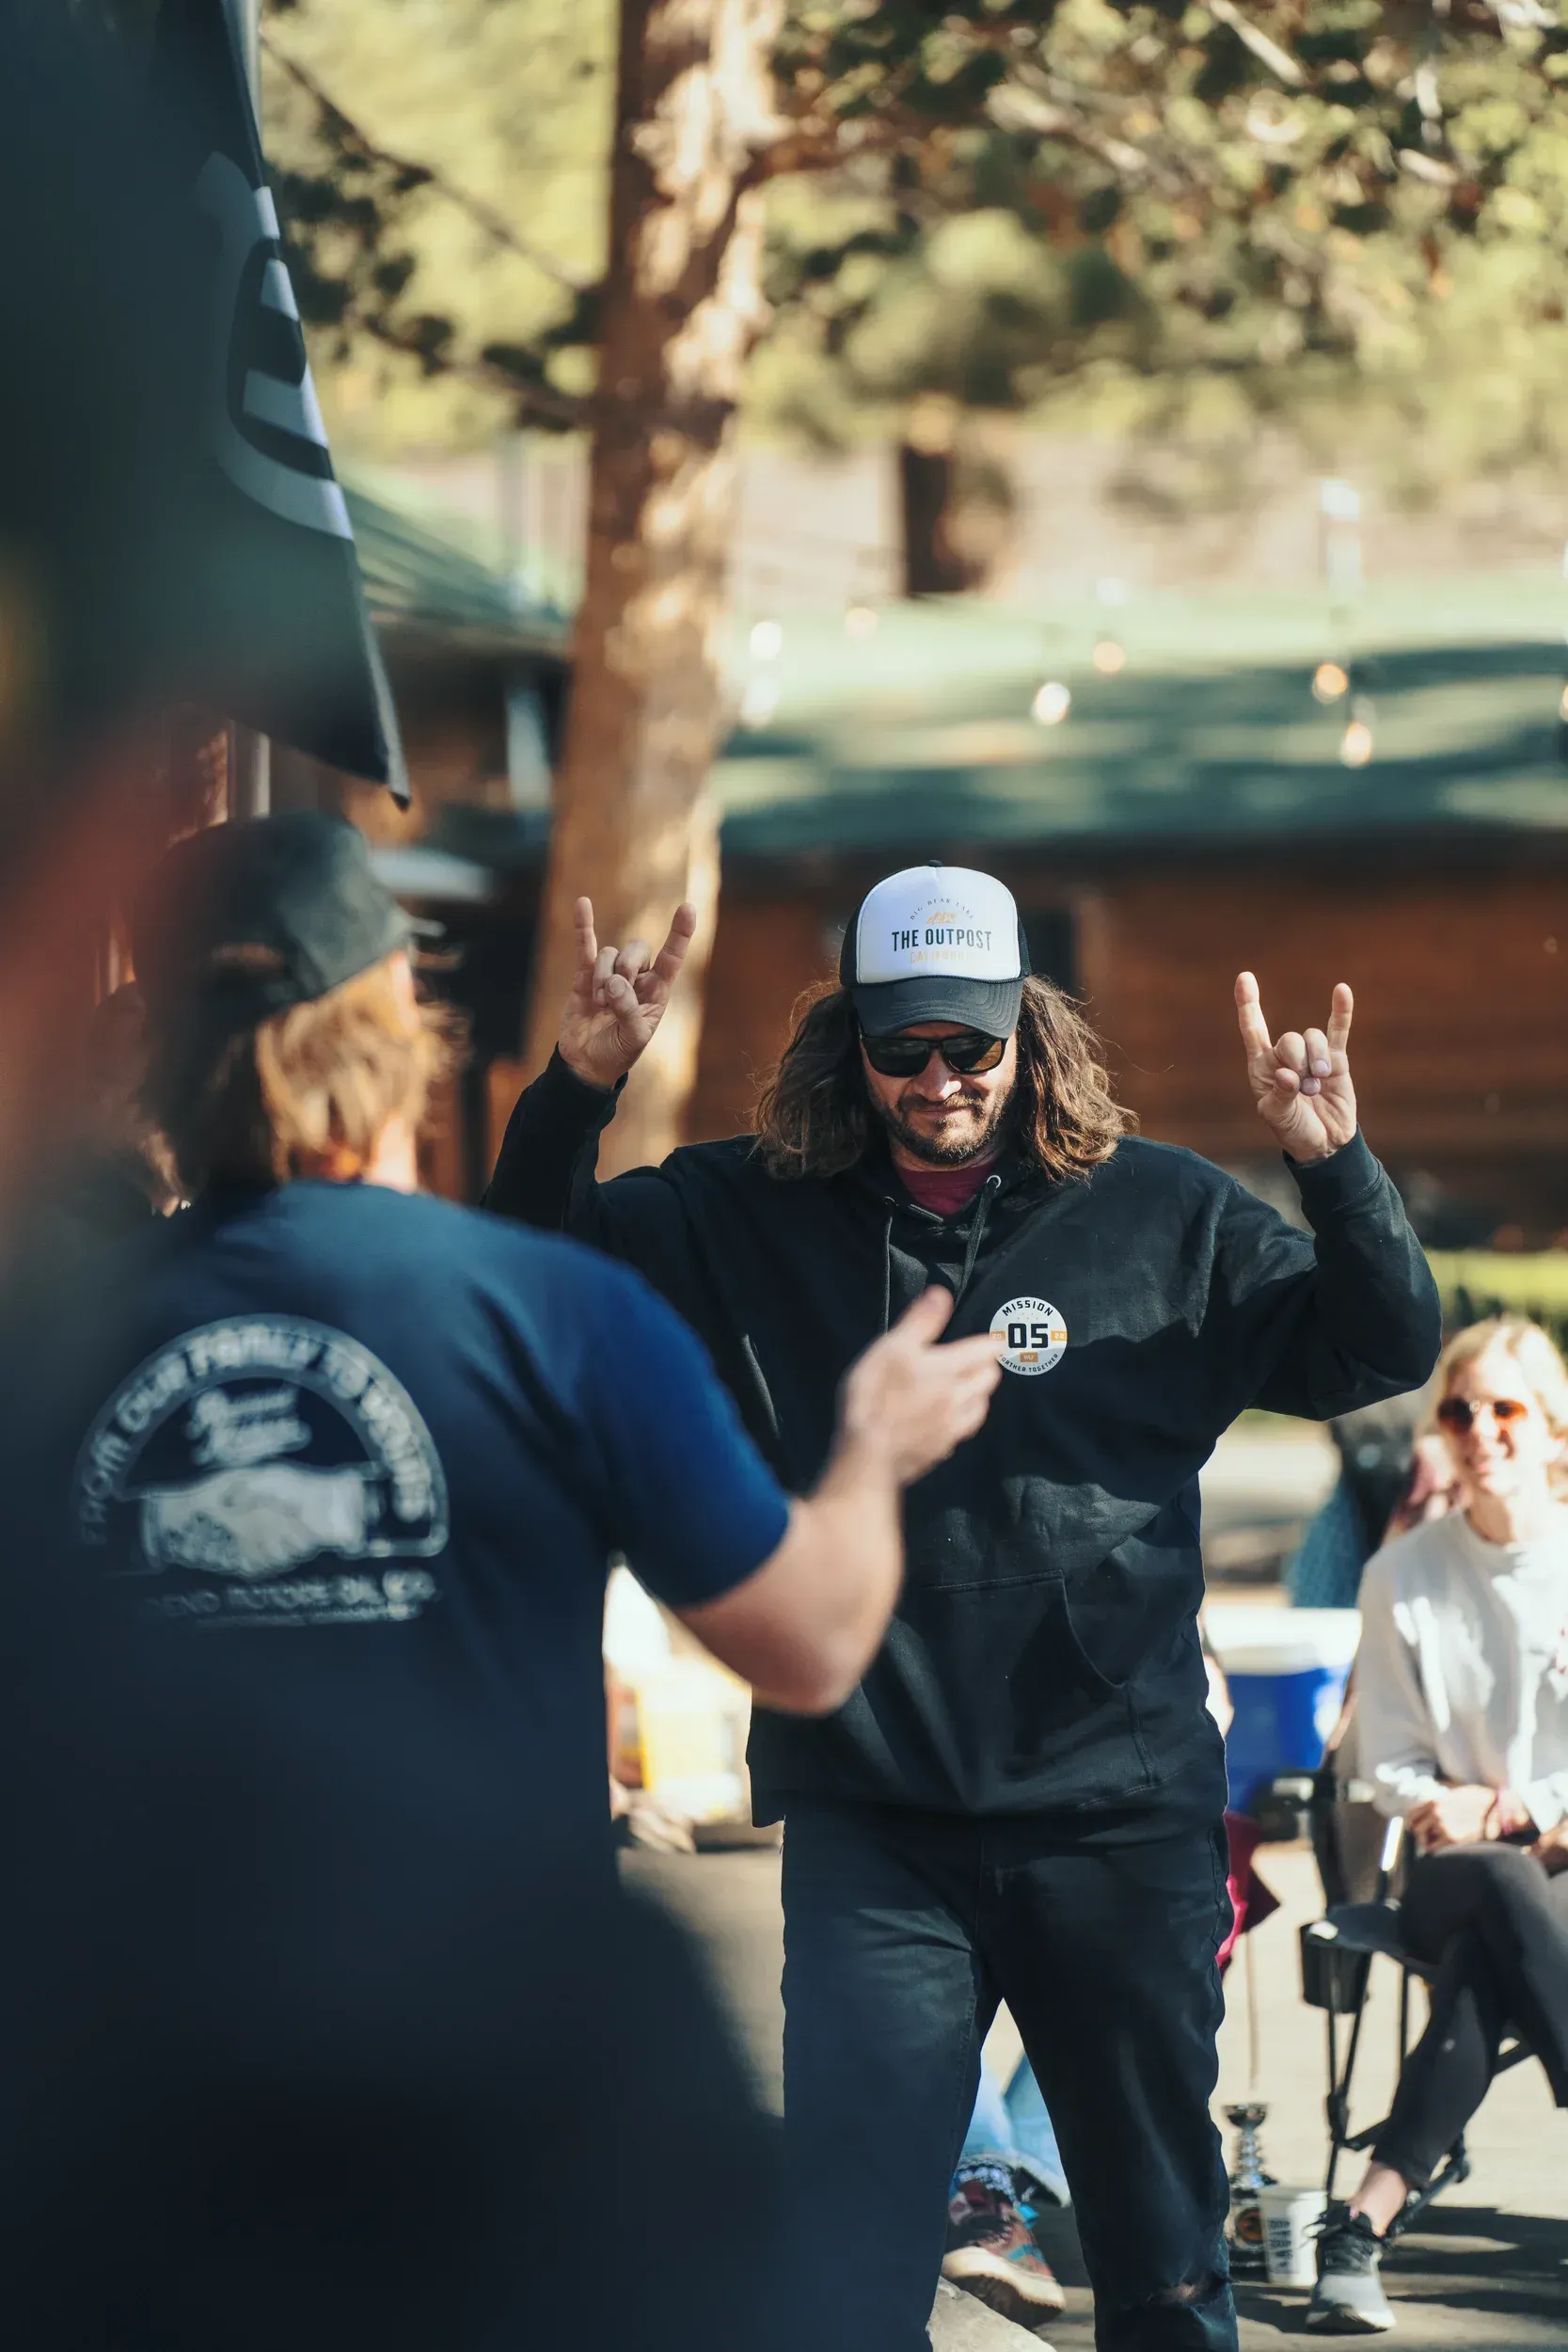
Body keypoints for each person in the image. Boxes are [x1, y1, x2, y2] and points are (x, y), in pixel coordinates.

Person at [486, 859, 1440, 2352]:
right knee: (848, 2274)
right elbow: (535, 1277)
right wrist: (574, 1088)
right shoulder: (748, 1209)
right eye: (902, 1047)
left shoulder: (1161, 1213)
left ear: (1028, 1029)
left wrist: (1334, 1167)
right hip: (876, 1827)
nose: (938, 1080)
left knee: (1161, 2272)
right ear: (849, 1039)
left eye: (971, 1045)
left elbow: (1369, 1352)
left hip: (1115, 1819)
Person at [1308, 1316, 1568, 2335]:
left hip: (1548, 1872)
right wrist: (1486, 1815)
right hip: (1450, 1866)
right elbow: (1391, 1765)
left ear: (1552, 1430)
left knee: (1482, 1963)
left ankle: (1356, 2230)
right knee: (1493, 1891)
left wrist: (1522, 1807)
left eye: (1504, 1408)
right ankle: (1355, 2234)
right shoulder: (1400, 1575)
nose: (1478, 1430)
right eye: (1459, 1411)